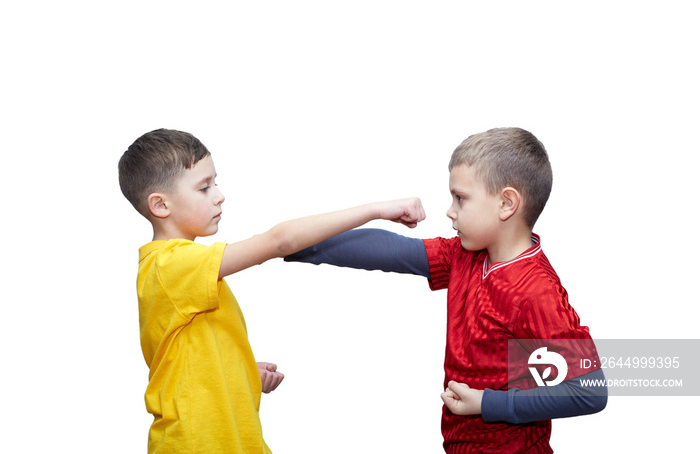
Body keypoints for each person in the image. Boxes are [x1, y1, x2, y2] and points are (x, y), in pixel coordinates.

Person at [286, 128, 607, 453]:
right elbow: (388, 251)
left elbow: (589, 391)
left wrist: (488, 403)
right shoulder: (464, 256)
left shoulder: (537, 291)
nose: (450, 211)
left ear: (506, 203)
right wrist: (287, 246)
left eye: (461, 198)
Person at [118, 128, 426, 453]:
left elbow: (188, 355)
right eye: (204, 188)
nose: (219, 195)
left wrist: (243, 370)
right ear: (160, 205)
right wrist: (376, 210)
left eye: (215, 183)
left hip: (235, 439)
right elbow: (280, 241)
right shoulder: (171, 265)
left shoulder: (181, 270)